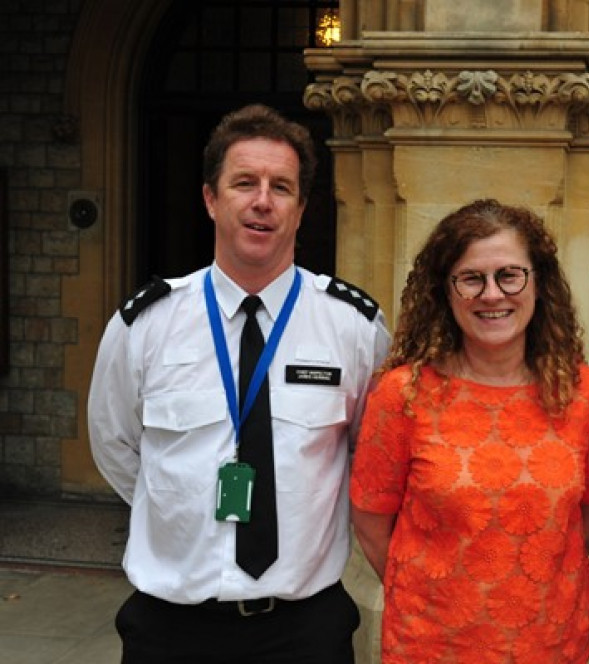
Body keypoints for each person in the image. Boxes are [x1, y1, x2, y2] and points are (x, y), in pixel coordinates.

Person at [88, 103, 390, 663]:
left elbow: (368, 457)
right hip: (172, 630)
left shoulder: (354, 327)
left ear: (301, 209)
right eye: (244, 183)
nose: (262, 201)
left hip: (304, 631)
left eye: (282, 187)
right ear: (211, 198)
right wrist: (183, 511)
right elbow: (117, 446)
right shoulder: (146, 325)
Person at [349, 199, 589, 663]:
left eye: (510, 275)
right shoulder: (402, 395)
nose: (492, 295)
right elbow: (372, 522)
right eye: (472, 278)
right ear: (445, 291)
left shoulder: (585, 394)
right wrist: (437, 598)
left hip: (550, 644)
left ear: (538, 284)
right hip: (433, 646)